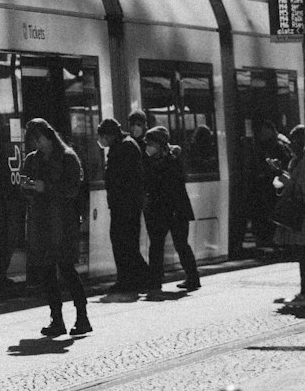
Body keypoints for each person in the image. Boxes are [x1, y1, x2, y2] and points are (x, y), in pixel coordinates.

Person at [21, 117, 91, 338]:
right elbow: (27, 189)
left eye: (39, 139)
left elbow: (72, 190)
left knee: (67, 269)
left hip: (63, 222)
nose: (38, 145)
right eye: (34, 141)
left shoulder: (68, 158)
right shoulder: (33, 160)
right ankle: (56, 319)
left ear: (49, 135)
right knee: (48, 272)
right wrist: (29, 187)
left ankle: (82, 316)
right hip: (41, 223)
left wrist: (45, 187)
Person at [143, 125, 200, 292]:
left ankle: (192, 277)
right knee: (157, 246)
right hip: (161, 210)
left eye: (151, 143)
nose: (148, 147)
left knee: (180, 244)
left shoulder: (173, 161)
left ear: (160, 145)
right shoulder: (152, 161)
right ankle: (155, 281)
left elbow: (174, 188)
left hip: (175, 210)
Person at [97, 116, 150, 294]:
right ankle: (138, 278)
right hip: (125, 204)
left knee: (123, 243)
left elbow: (124, 178)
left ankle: (131, 279)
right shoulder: (124, 145)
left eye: (102, 136)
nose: (100, 141)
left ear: (109, 135)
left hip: (125, 205)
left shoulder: (124, 147)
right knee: (126, 243)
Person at [271, 124, 305, 306]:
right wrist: (282, 173)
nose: (292, 144)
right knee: (302, 254)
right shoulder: (296, 161)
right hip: (301, 211)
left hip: (303, 212)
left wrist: (284, 178)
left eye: (295, 140)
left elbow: (301, 187)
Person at [246, 120, 292, 257]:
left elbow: (285, 167)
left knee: (273, 214)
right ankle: (273, 243)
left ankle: (275, 243)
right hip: (268, 186)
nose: (261, 134)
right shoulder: (268, 145)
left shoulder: (277, 145)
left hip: (273, 186)